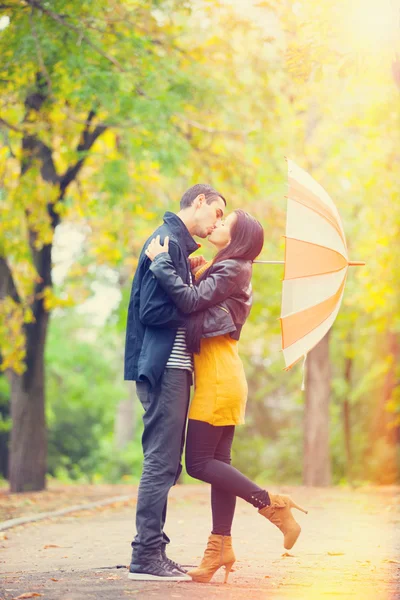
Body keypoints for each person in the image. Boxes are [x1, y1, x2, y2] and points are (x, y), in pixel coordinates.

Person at [145, 209, 308, 584]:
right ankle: (220, 547)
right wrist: (195, 267)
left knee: (198, 464)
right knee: (218, 465)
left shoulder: (234, 268)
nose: (215, 225)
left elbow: (188, 302)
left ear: (236, 238)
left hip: (219, 379)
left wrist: (163, 265)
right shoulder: (230, 266)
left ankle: (272, 505)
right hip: (222, 376)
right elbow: (202, 299)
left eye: (224, 223)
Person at [124, 184, 226, 581]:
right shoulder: (165, 241)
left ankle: (153, 550)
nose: (216, 223)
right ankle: (146, 554)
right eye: (217, 213)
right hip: (164, 365)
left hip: (175, 366)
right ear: (199, 202)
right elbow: (150, 311)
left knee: (168, 463)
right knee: (162, 461)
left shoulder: (179, 249)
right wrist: (195, 307)